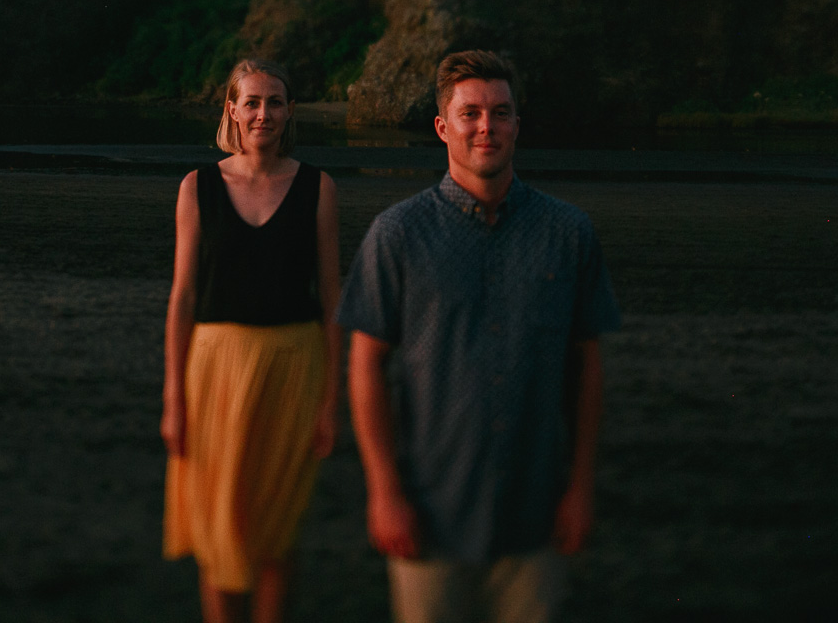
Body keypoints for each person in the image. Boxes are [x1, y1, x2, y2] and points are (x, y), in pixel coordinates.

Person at [339, 50, 620, 623]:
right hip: (430, 511)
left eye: (500, 112)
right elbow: (365, 365)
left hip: (534, 513)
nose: (486, 127)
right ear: (443, 127)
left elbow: (587, 365)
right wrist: (384, 491)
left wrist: (581, 487)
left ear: (518, 123)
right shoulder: (397, 234)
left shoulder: (568, 232)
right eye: (470, 114)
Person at [162, 58, 341, 623]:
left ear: (289, 112)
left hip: (295, 364)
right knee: (217, 522)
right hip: (213, 369)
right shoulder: (198, 187)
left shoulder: (318, 187)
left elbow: (335, 299)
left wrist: (332, 400)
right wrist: (173, 397)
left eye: (276, 102)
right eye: (253, 102)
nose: (264, 113)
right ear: (232, 111)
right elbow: (183, 297)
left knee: (276, 523)